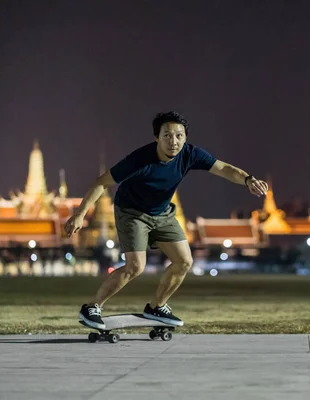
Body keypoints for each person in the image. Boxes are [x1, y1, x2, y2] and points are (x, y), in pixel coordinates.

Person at [64, 111, 268, 330]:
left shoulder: (190, 154)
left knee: (184, 262)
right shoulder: (140, 158)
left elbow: (223, 168)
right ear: (157, 138)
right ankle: (92, 307)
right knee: (135, 266)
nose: (174, 141)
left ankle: (157, 306)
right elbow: (101, 183)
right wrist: (80, 214)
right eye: (167, 136)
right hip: (132, 212)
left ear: (185, 138)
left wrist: (248, 179)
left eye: (179, 136)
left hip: (162, 213)